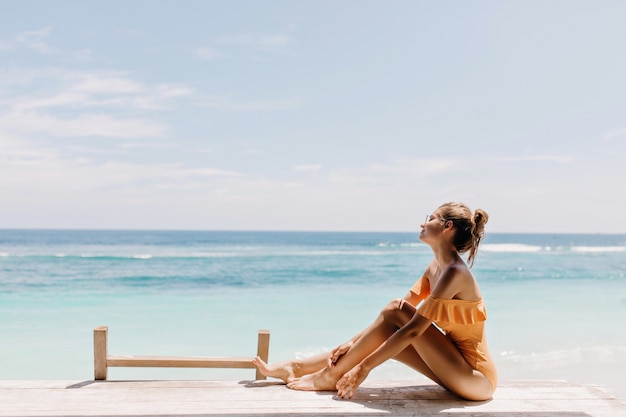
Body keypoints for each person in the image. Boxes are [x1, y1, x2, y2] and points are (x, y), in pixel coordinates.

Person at [253, 202, 497, 401]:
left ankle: (329, 376)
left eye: (430, 217)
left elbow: (411, 329)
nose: (423, 223)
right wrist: (351, 342)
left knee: (396, 312)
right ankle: (298, 368)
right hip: (453, 371)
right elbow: (389, 319)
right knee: (388, 325)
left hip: (476, 380)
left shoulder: (454, 272)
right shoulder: (436, 267)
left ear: (447, 227)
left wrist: (362, 369)